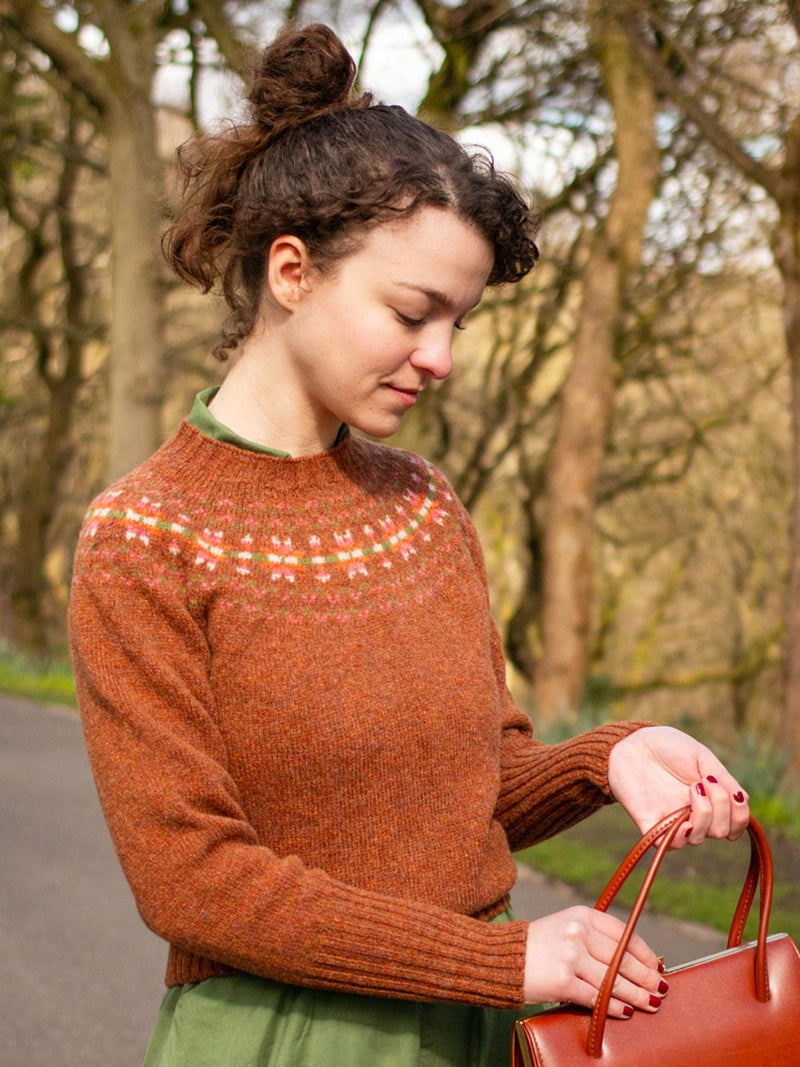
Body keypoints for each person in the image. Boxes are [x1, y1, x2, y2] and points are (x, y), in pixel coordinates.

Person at [68, 23, 750, 1067]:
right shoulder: (145, 538)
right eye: (410, 311)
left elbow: (464, 794)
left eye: (458, 323)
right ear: (290, 271)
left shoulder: (423, 504)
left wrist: (607, 757)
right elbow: (192, 879)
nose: (437, 358)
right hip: (283, 1038)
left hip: (485, 1031)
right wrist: (501, 960)